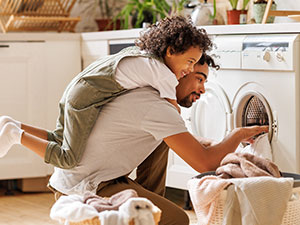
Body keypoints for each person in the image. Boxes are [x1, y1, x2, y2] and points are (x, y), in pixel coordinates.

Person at [47, 54, 267, 224]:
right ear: (182, 72)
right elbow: (206, 164)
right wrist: (237, 134)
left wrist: (206, 144)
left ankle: (148, 212)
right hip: (86, 186)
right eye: (199, 79)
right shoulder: (155, 107)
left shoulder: (148, 94)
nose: (202, 89)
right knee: (178, 220)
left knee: (164, 141)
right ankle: (147, 215)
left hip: (96, 177)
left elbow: (174, 136)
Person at [0, 16, 212, 168]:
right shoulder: (162, 74)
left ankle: (13, 124)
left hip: (76, 89)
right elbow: (172, 116)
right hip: (85, 99)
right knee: (68, 159)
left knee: (59, 138)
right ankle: (15, 135)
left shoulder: (144, 56)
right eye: (190, 62)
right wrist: (198, 143)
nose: (190, 70)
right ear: (171, 51)